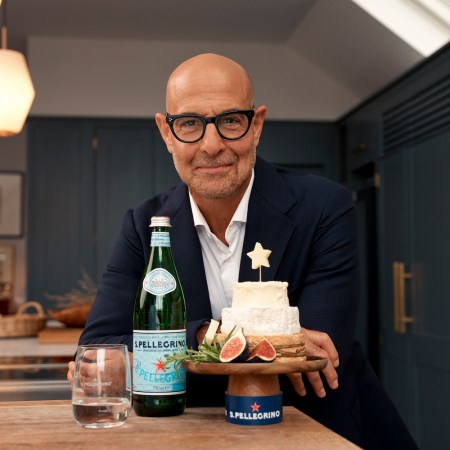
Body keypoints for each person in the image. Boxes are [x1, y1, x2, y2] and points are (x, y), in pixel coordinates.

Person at [69, 53, 417, 449]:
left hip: (319, 428)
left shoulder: (324, 207)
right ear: (166, 133)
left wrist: (160, 355)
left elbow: (313, 357)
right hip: (191, 434)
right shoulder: (143, 226)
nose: (212, 145)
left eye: (230, 121)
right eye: (189, 124)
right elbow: (100, 354)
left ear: (257, 126)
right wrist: (209, 334)